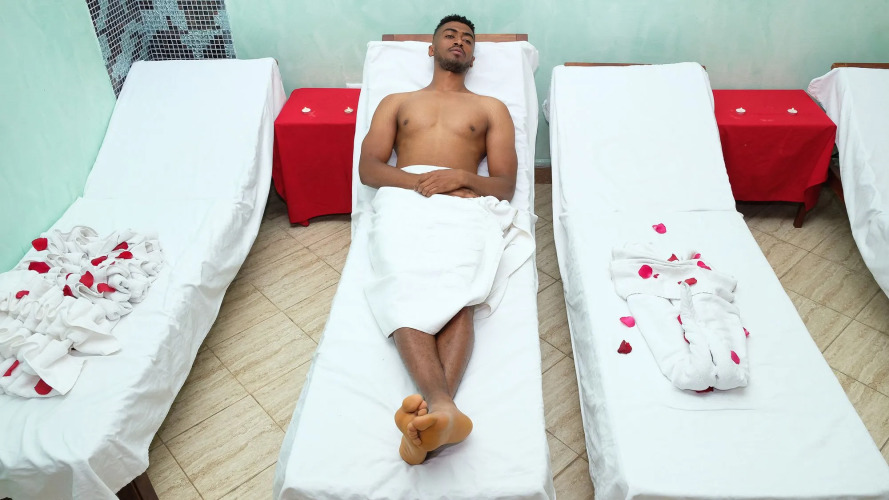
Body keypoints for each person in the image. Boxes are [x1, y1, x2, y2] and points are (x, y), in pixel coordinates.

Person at [358, 14, 521, 465]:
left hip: (463, 203)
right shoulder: (397, 101)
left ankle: (433, 415)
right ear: (432, 48)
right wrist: (422, 183)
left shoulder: (490, 108)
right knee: (402, 283)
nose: (459, 41)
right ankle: (443, 409)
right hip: (404, 199)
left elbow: (505, 184)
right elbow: (369, 169)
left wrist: (461, 178)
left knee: (457, 290)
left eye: (467, 39)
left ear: (473, 57)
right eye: (450, 35)